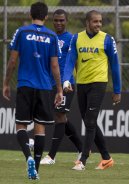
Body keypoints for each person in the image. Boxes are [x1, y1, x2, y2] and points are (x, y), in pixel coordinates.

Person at [2, 2, 62, 180]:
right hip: (44, 86)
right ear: (45, 17)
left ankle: (28, 157)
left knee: (21, 125)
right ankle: (35, 169)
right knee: (40, 127)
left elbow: (12, 61)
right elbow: (54, 65)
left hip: (25, 84)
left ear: (30, 15)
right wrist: (59, 89)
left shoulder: (22, 32)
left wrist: (5, 83)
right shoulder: (52, 36)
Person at [63, 10, 121, 171]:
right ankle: (107, 158)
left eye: (100, 22)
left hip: (99, 83)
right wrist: (66, 80)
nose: (99, 25)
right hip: (81, 84)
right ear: (87, 23)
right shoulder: (77, 38)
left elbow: (115, 66)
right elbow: (70, 60)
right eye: (95, 21)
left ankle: (83, 159)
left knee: (89, 121)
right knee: (90, 121)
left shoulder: (107, 39)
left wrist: (117, 90)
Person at [40, 9, 83, 165]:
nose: (59, 23)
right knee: (61, 117)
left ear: (67, 21)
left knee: (60, 116)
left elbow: (75, 61)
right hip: (50, 84)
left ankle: (51, 156)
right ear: (52, 21)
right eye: (56, 20)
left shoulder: (71, 39)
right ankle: (82, 148)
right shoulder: (48, 37)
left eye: (62, 20)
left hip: (66, 84)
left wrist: (78, 81)